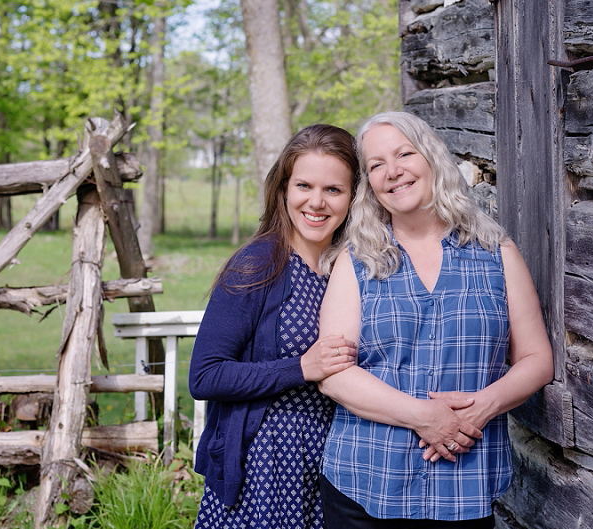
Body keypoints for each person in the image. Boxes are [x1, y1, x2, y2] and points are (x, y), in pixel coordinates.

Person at [317, 111, 554, 528]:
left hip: (466, 487)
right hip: (366, 485)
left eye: (404, 154)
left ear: (431, 157)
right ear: (368, 184)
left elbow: (537, 358)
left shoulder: (496, 252)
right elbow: (333, 374)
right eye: (376, 165)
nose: (393, 172)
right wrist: (422, 416)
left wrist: (482, 407)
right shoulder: (356, 262)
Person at [189, 124, 360, 529]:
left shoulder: (350, 270)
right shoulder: (260, 263)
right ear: (284, 189)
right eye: (304, 185)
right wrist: (300, 368)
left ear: (354, 197)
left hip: (331, 467)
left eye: (333, 190)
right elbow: (205, 375)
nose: (316, 202)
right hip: (263, 469)